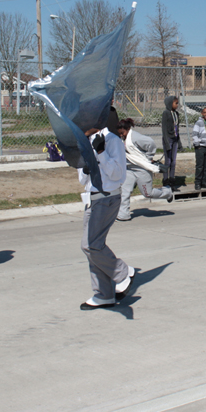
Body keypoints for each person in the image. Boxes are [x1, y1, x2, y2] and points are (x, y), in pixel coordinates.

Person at [78, 126, 135, 310]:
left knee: (91, 245)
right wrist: (86, 168)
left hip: (107, 198)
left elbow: (118, 175)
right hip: (92, 199)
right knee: (93, 249)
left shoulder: (112, 140)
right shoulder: (84, 142)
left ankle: (123, 273)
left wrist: (101, 152)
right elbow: (82, 180)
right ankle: (103, 294)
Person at [115, 118, 172, 222]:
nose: (121, 135)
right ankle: (123, 214)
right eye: (119, 134)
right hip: (129, 169)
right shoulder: (124, 139)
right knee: (124, 191)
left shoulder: (135, 137)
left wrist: (147, 158)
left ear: (128, 129)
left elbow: (151, 143)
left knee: (147, 193)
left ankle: (167, 192)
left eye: (122, 133)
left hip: (142, 169)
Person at [161, 95, 181, 189]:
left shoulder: (176, 114)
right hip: (168, 140)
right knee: (168, 161)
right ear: (170, 103)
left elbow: (177, 129)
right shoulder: (166, 113)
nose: (177, 105)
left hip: (175, 139)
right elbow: (164, 129)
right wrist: (167, 143)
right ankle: (166, 181)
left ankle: (172, 181)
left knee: (173, 162)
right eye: (175, 103)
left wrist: (179, 142)